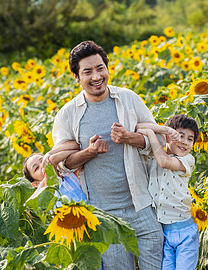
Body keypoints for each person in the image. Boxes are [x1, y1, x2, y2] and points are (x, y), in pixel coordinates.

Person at [51, 40, 163, 270]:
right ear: (76, 77)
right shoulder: (68, 114)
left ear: (107, 68)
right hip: (103, 215)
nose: (96, 76)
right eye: (87, 71)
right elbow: (62, 165)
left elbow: (158, 142)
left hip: (142, 205)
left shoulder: (128, 98)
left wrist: (129, 138)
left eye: (100, 68)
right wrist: (89, 152)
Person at [136, 114, 200, 270]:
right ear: (168, 136)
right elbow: (138, 127)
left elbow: (164, 162)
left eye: (190, 139)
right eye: (180, 135)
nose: (184, 142)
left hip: (185, 233)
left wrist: (151, 134)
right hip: (163, 234)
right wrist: (161, 130)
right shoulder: (153, 156)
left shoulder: (187, 160)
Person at [22, 141, 88, 204]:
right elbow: (52, 163)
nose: (42, 165)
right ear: (36, 184)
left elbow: (76, 145)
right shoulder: (43, 193)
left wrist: (51, 153)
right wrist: (53, 159)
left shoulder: (68, 177)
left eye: (42, 160)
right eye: (36, 168)